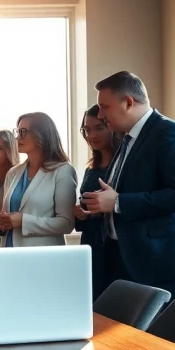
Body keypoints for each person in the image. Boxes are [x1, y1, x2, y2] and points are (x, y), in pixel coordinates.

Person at [82, 70, 175, 299]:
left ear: (129, 102)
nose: (100, 114)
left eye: (105, 106)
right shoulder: (126, 139)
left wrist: (118, 202)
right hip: (125, 256)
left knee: (158, 334)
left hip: (161, 261)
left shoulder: (171, 133)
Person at [0, 112, 77, 247]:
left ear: (41, 135)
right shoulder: (13, 172)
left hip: (42, 257)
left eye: (23, 132)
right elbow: (3, 214)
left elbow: (66, 223)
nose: (18, 137)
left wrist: (23, 221)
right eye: (18, 131)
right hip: (9, 252)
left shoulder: (63, 171)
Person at [74, 104, 122, 300]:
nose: (91, 135)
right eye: (86, 129)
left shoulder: (122, 166)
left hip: (115, 246)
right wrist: (79, 213)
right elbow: (85, 206)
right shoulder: (90, 169)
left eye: (98, 128)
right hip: (91, 243)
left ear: (111, 126)